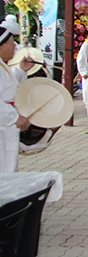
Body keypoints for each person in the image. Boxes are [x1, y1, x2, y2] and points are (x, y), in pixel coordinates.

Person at [0, 15, 34, 172]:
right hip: (4, 124)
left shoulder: (2, 65)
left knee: (8, 167)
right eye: (11, 42)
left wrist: (21, 70)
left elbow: (10, 87)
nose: (14, 45)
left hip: (7, 126)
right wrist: (14, 117)